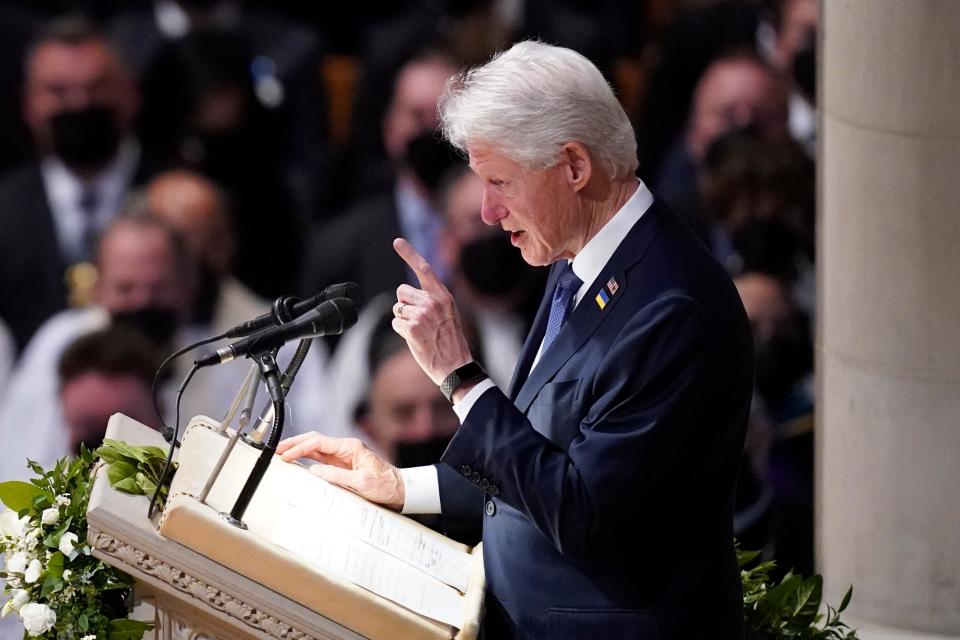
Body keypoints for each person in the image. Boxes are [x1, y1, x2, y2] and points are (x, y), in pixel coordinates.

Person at [280, 41, 754, 639]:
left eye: (501, 181)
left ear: (574, 168)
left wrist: (461, 378)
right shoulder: (577, 257)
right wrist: (404, 485)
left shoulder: (670, 308)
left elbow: (582, 515)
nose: (486, 211)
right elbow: (542, 458)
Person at [0, 16, 143, 351]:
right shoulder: (3, 211)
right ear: (29, 104)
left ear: (130, 92)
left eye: (96, 88)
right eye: (58, 91)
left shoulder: (174, 201)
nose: (80, 104)